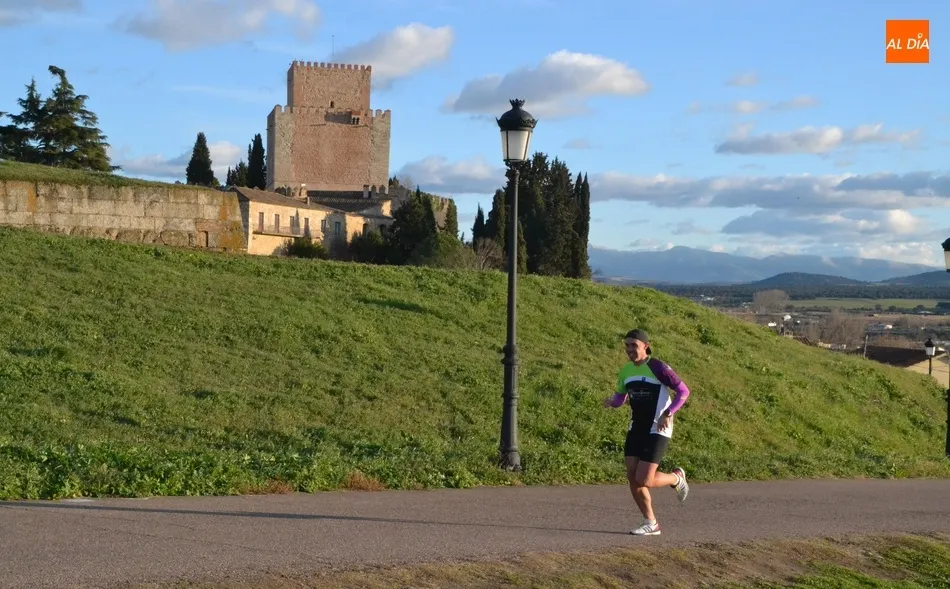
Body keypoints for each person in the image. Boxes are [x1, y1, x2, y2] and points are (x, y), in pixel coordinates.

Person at [603, 329, 691, 536]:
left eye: (634, 345)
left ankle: (676, 478)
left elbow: (683, 391)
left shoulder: (657, 367)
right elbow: (621, 397)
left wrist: (668, 413)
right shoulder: (625, 371)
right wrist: (612, 402)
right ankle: (650, 522)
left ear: (645, 346)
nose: (630, 350)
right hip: (637, 428)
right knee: (633, 477)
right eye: (627, 346)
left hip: (658, 428)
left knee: (645, 479)